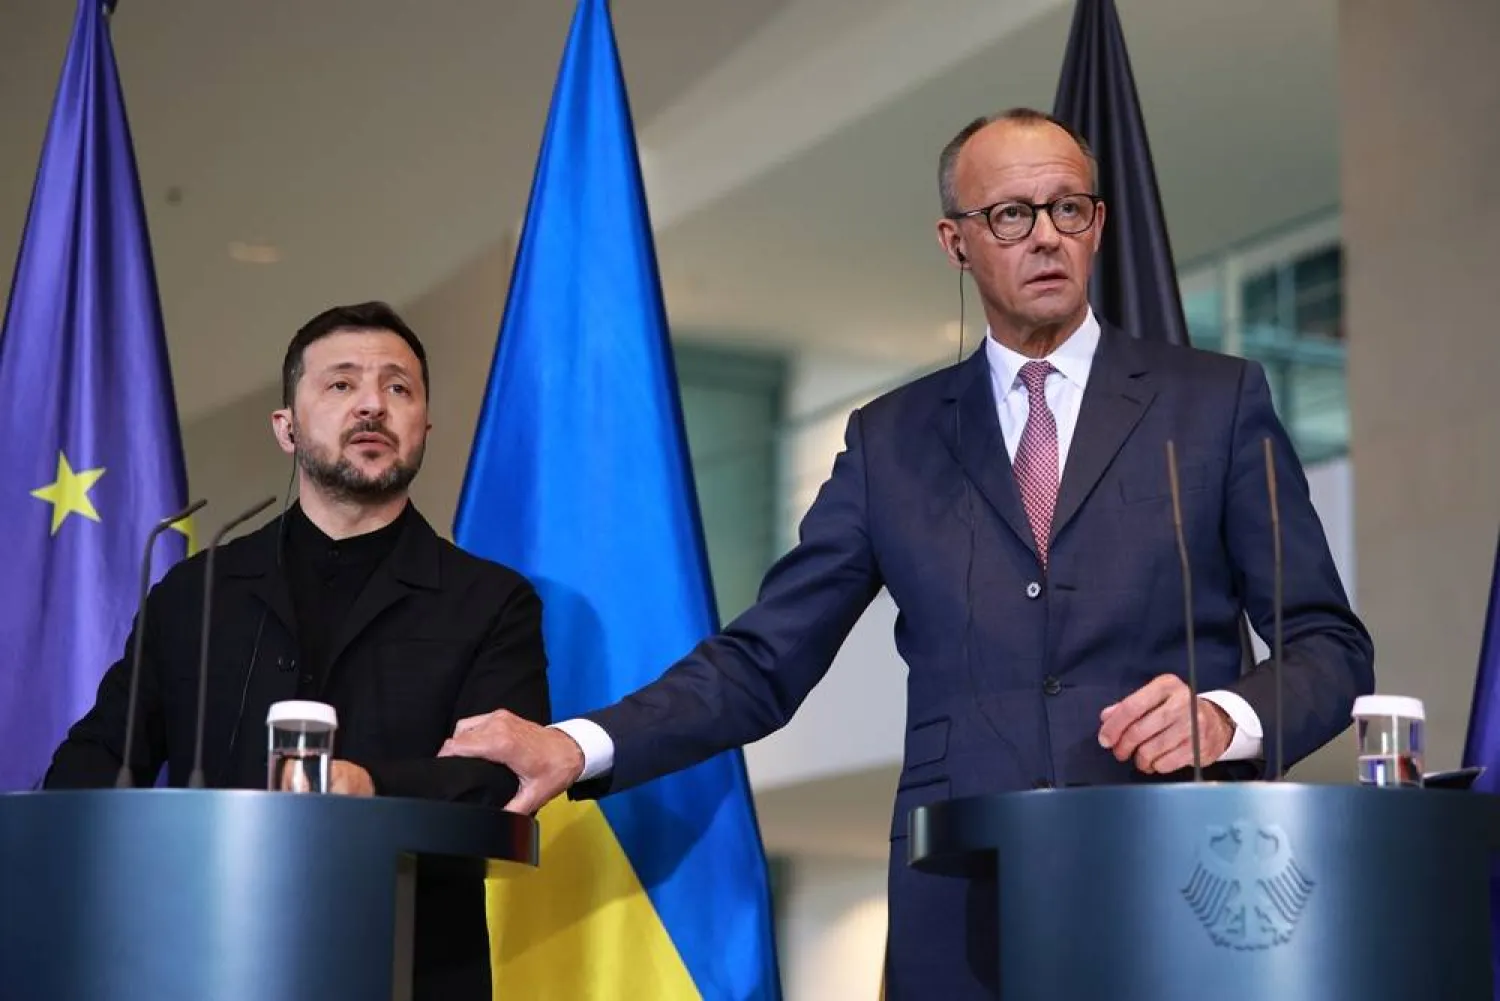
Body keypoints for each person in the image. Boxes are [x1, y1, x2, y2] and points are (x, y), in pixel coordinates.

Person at [438, 108, 1374, 999]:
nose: (1045, 235)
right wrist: (578, 741)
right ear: (955, 240)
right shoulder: (890, 439)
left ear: (1098, 224)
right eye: (1011, 214)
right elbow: (765, 659)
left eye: (1069, 208)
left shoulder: (1214, 402)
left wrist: (1226, 716)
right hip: (959, 894)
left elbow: (1329, 647)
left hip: (1176, 871)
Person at [44, 301, 549, 1001]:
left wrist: (368, 786)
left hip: (412, 963)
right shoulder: (199, 587)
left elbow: (499, 779)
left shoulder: (491, 600)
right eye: (341, 384)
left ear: (425, 426)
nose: (372, 404)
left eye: (398, 387)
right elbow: (98, 758)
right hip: (204, 956)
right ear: (286, 426)